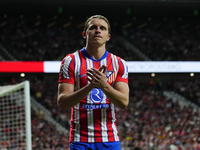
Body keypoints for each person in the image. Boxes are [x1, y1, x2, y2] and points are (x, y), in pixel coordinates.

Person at [57, 15, 129, 150]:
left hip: (110, 139)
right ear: (85, 34)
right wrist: (90, 86)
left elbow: (123, 102)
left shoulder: (119, 63)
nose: (98, 30)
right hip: (80, 140)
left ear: (108, 36)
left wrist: (104, 85)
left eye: (102, 28)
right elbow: (62, 103)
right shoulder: (70, 61)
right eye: (93, 28)